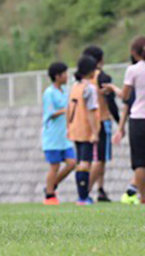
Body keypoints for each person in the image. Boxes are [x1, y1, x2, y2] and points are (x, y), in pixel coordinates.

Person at [82, 45, 119, 202]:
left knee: (95, 158)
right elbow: (110, 102)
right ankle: (84, 192)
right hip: (102, 121)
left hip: (87, 122)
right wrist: (119, 121)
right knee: (101, 159)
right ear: (99, 60)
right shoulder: (103, 77)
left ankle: (100, 190)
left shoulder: (82, 79)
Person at [111, 36, 145, 204]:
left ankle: (143, 197)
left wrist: (113, 88)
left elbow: (125, 96)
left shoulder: (133, 70)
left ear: (134, 53)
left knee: (139, 162)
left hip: (138, 118)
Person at [67, 55, 100, 205]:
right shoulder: (90, 88)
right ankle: (83, 197)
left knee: (80, 161)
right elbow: (92, 111)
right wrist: (95, 132)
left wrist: (68, 126)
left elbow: (69, 110)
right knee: (85, 163)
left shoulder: (75, 87)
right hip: (86, 129)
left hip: (75, 129)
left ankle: (82, 196)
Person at [41, 62, 75, 205]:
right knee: (54, 166)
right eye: (64, 74)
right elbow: (51, 113)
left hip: (64, 137)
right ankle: (49, 196)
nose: (67, 76)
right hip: (52, 137)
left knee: (72, 163)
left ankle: (51, 185)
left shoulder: (65, 91)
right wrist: (65, 110)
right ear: (57, 76)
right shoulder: (49, 93)